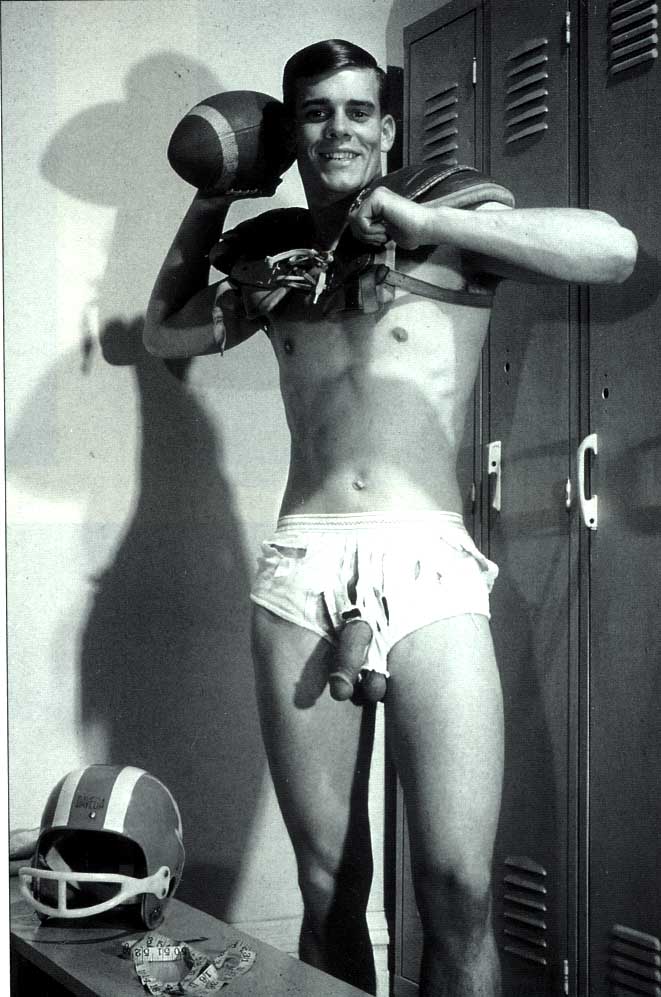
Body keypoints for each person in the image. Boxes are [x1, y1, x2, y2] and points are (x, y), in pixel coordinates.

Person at [143, 39, 637, 997]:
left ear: (388, 127)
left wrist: (418, 218)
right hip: (303, 567)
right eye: (316, 112)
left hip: (428, 565)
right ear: (291, 134)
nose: (339, 129)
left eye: (358, 110)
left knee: (458, 887)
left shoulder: (449, 219)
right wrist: (210, 201)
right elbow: (164, 333)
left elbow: (612, 250)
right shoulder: (272, 257)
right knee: (329, 886)